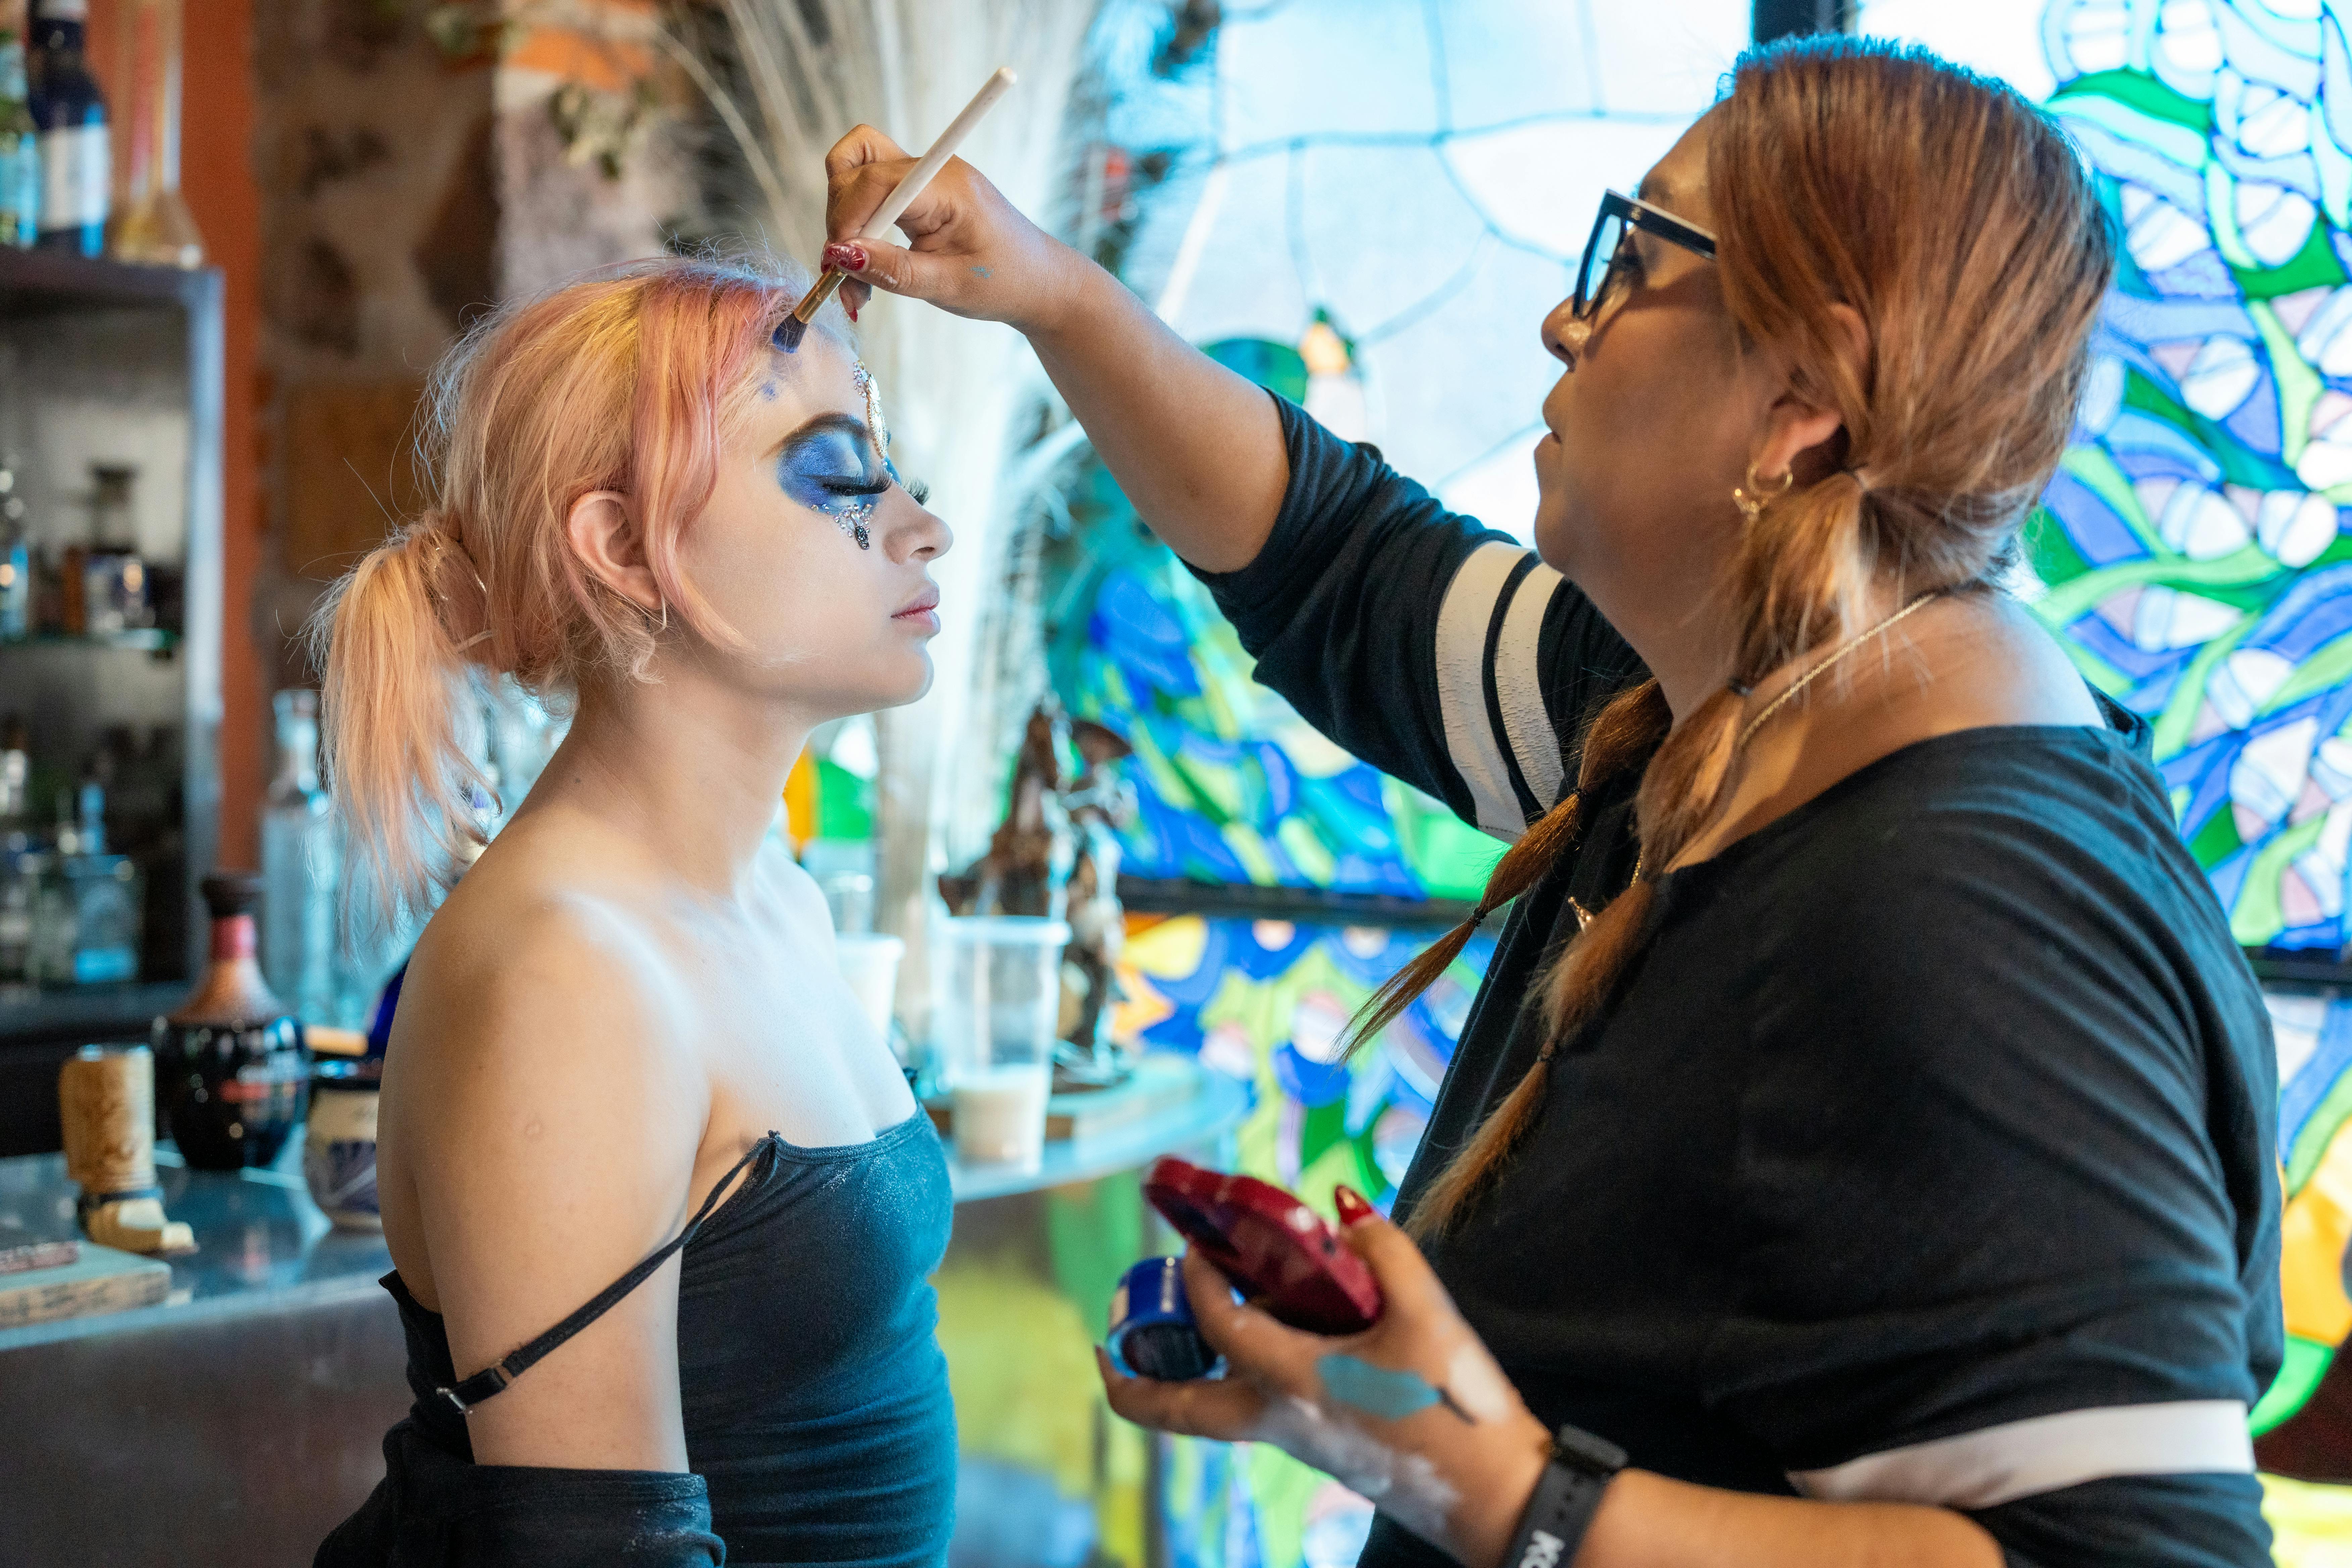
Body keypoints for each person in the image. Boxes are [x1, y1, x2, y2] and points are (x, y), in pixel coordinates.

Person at [821, 32, 2279, 1568]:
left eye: (1633, 261)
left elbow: (2146, 1558)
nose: (1565, 317)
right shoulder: (1725, 704)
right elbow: (1336, 563)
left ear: (1802, 394)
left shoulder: (1965, 913)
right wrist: (1050, 292)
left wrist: (1503, 1492)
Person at [311, 257, 957, 1567]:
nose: (921, 526)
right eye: (841, 476)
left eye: (891, 468)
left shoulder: (775, 900)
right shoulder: (569, 975)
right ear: (619, 547)